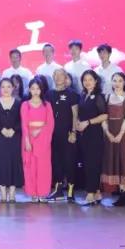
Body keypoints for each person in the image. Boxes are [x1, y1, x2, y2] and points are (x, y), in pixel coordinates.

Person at [102, 72, 125, 207]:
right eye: (114, 80)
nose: (117, 83)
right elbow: (104, 117)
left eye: (120, 81)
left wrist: (120, 133)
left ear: (124, 82)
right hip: (110, 132)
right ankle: (120, 191)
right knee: (115, 160)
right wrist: (107, 132)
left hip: (123, 132)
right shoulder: (107, 97)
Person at [76, 70, 108, 205]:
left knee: (92, 164)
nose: (87, 82)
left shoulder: (99, 96)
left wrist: (88, 122)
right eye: (85, 80)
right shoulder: (83, 95)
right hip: (84, 134)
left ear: (95, 81)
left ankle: (90, 193)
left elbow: (104, 115)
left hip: (94, 133)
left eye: (90, 79)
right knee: (87, 163)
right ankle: (97, 192)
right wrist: (78, 123)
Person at [47, 69, 80, 201]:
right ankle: (58, 190)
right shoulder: (49, 94)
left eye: (61, 75)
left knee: (69, 161)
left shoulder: (72, 94)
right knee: (56, 162)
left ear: (66, 77)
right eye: (56, 75)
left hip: (68, 133)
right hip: (53, 134)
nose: (58, 77)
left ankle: (71, 190)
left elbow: (75, 114)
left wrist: (74, 132)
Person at [0, 77, 23, 203]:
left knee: (14, 163)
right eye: (3, 87)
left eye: (8, 86)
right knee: (0, 163)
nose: (6, 89)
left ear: (13, 88)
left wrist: (14, 129)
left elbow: (22, 120)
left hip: (15, 137)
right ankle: (3, 193)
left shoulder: (19, 103)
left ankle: (13, 193)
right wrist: (1, 129)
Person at [22, 78, 53, 202]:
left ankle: (43, 192)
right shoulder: (25, 105)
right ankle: (33, 193)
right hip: (29, 139)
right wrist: (27, 140)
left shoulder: (47, 105)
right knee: (30, 167)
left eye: (38, 89)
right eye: (33, 88)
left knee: (43, 167)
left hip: (43, 139)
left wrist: (39, 131)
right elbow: (24, 124)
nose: (35, 91)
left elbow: (50, 124)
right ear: (29, 90)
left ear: (41, 90)